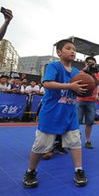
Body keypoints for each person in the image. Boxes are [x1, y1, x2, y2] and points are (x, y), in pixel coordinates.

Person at [23, 39, 88, 188]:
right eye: (69, 48)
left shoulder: (77, 73)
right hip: (51, 113)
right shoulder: (54, 66)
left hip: (70, 114)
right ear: (59, 52)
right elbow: (46, 84)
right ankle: (31, 171)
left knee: (75, 142)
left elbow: (81, 89)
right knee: (40, 145)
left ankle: (79, 170)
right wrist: (70, 86)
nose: (73, 51)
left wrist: (86, 89)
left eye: (74, 49)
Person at [76, 57, 99, 149]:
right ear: (85, 64)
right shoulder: (81, 72)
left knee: (90, 122)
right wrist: (85, 71)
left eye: (93, 63)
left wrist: (93, 74)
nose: (91, 65)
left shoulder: (97, 73)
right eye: (89, 63)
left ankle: (87, 140)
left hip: (92, 100)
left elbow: (98, 83)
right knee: (77, 120)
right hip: (80, 99)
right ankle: (76, 137)